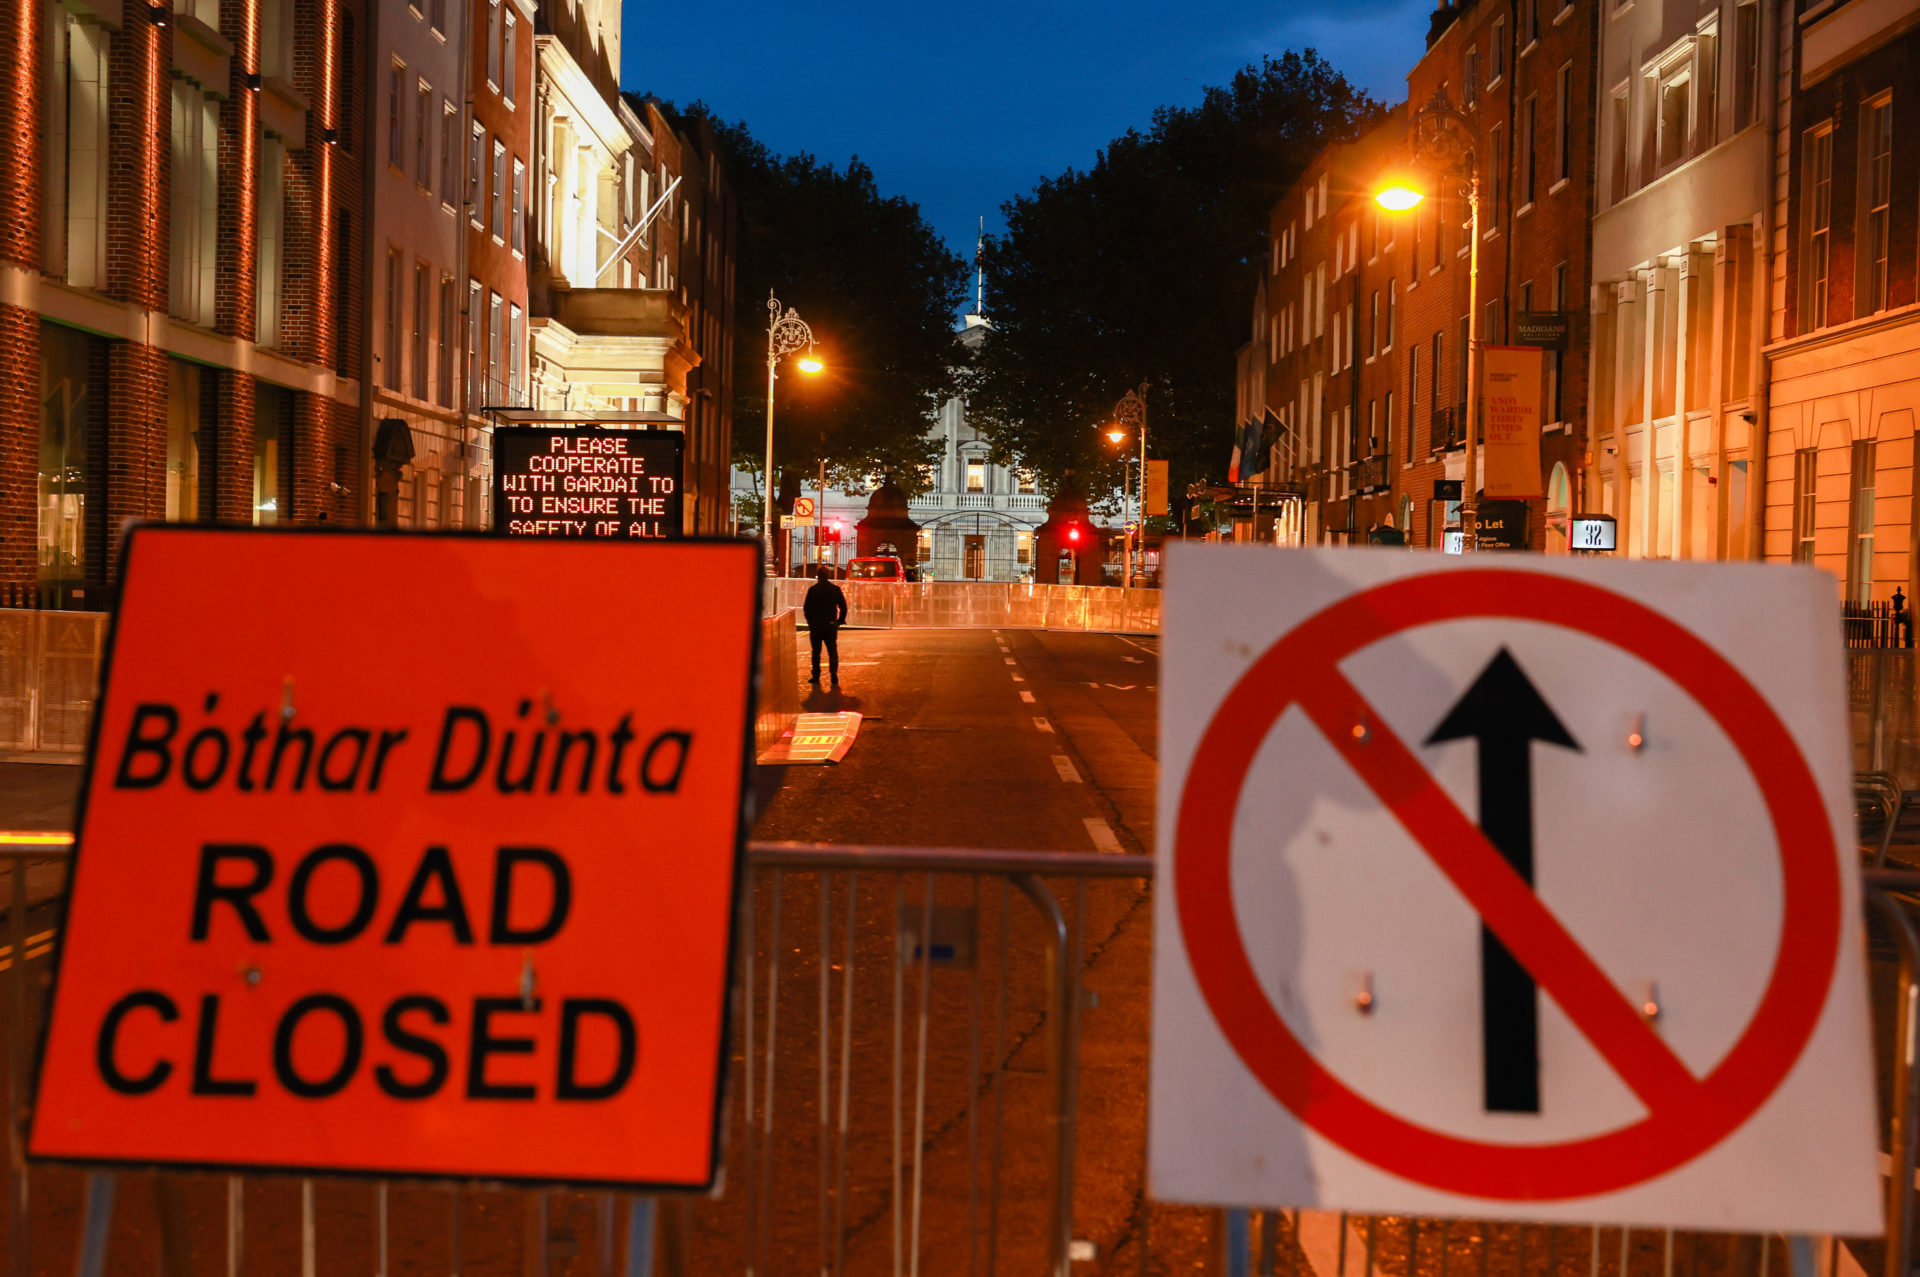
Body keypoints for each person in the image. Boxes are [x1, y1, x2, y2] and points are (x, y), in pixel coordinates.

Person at [803, 565, 848, 687]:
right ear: (828, 575)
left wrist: (810, 622)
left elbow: (807, 608)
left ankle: (816, 676)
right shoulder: (835, 589)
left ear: (818, 576)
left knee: (816, 651)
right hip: (830, 624)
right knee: (832, 650)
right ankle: (833, 674)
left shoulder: (813, 590)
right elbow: (843, 607)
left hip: (816, 625)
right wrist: (840, 621)